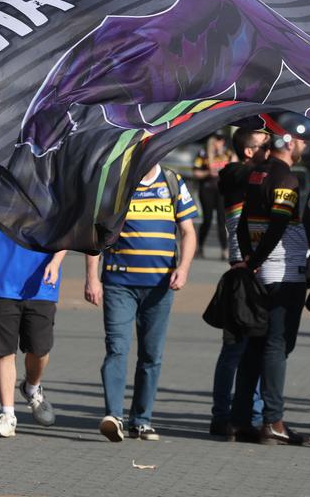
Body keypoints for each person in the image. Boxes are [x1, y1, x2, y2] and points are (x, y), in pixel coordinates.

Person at [85, 162, 197, 442]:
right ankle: (114, 415)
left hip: (159, 287)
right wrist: (92, 278)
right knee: (117, 349)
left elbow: (188, 232)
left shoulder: (172, 182)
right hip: (119, 284)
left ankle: (142, 419)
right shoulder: (118, 185)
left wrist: (183, 268)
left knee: (151, 355)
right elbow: (96, 235)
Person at [228, 132, 310, 445]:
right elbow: (278, 224)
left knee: (254, 346)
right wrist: (256, 260)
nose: (305, 148)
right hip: (284, 274)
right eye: (303, 143)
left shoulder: (257, 175)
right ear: (291, 144)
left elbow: (241, 222)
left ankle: (239, 419)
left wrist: (249, 258)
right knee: (278, 346)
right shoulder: (287, 179)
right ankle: (273, 420)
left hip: (261, 272)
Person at [0, 212, 67, 438]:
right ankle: (7, 415)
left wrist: (56, 263)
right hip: (0, 283)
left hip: (41, 285)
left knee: (40, 350)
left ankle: (31, 387)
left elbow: (65, 233)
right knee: (4, 351)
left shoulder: (54, 190)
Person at [209, 127, 267, 436]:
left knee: (246, 349)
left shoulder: (246, 177)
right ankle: (230, 416)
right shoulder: (241, 176)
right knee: (238, 349)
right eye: (262, 145)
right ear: (248, 152)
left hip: (249, 270)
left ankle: (239, 415)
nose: (268, 151)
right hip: (244, 272)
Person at [193, 133, 233, 259]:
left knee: (222, 220)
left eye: (222, 140)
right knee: (208, 220)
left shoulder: (227, 153)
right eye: (218, 140)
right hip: (207, 189)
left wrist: (223, 155)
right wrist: (207, 173)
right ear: (213, 141)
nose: (221, 142)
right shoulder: (203, 153)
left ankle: (224, 250)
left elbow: (236, 165)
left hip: (222, 190)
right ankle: (200, 247)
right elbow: (196, 172)